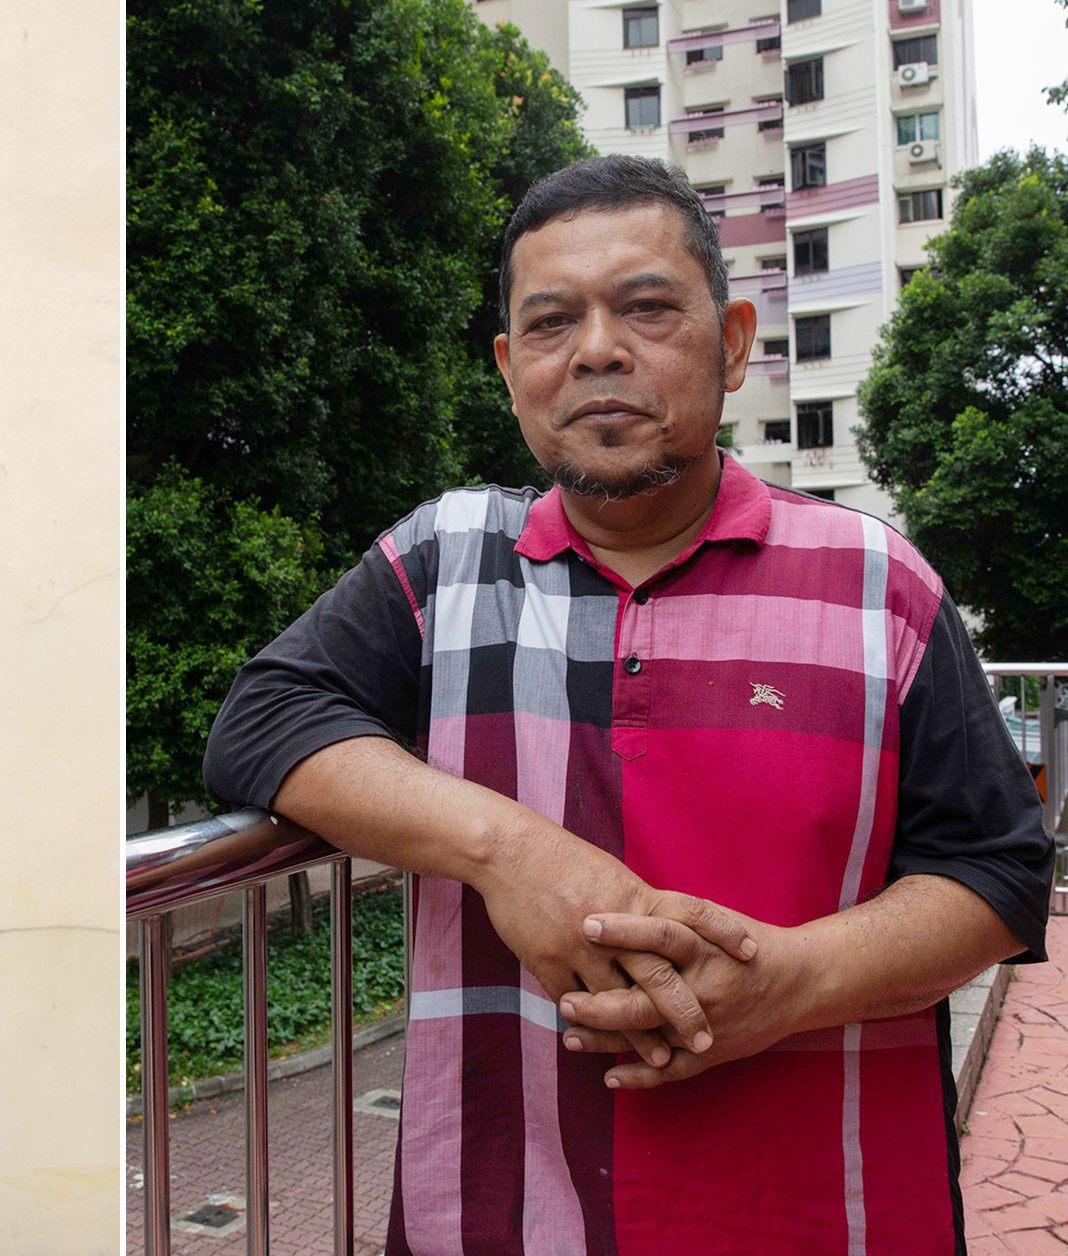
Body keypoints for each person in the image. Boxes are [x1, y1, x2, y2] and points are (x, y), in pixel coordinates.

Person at [203, 154, 1054, 1254]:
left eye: (647, 307)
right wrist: (512, 851)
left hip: (823, 1210)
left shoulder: (876, 581)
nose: (599, 348)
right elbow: (263, 718)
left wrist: (790, 984)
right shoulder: (448, 561)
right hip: (505, 1212)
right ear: (512, 370)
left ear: (736, 339)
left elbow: (997, 870)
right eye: (553, 322)